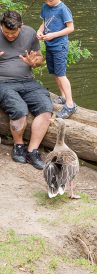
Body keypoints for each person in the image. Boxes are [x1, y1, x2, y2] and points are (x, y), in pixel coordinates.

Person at [0, 10, 53, 170]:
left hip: (27, 81)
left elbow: (39, 60)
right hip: (2, 82)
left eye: (13, 33)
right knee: (19, 108)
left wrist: (34, 62)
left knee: (45, 108)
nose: (10, 36)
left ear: (21, 27)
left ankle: (32, 151)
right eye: (6, 32)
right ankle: (18, 146)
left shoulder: (30, 33)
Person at [36, 0, 77, 119]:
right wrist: (39, 31)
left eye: (51, 0)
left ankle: (70, 105)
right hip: (49, 45)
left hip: (59, 46)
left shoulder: (63, 9)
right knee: (54, 73)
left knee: (61, 74)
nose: (48, 3)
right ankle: (63, 96)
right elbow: (44, 22)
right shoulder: (45, 6)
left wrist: (53, 35)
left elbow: (70, 28)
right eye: (46, 0)